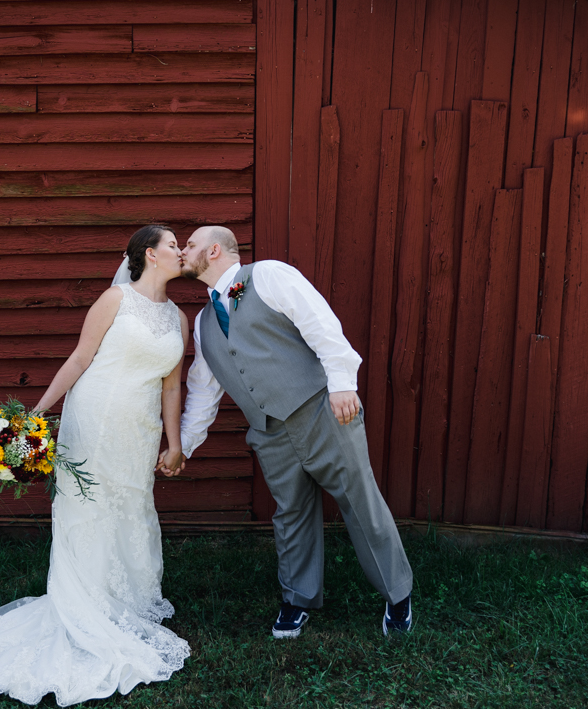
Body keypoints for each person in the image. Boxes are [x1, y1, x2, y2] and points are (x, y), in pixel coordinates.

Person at [0, 224, 191, 706]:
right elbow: (79, 359)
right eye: (174, 244)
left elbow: (172, 386)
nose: (182, 250)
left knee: (130, 508)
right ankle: (84, 605)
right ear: (150, 255)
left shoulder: (179, 318)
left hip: (138, 430)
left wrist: (174, 444)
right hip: (93, 420)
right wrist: (37, 414)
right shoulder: (114, 300)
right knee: (88, 510)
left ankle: (125, 602)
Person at [160, 225, 414, 639]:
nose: (182, 251)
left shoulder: (267, 276)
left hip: (322, 411)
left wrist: (342, 383)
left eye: (189, 244)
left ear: (213, 251)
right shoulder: (206, 322)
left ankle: (397, 594)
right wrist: (182, 446)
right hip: (269, 433)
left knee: (360, 502)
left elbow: (319, 322)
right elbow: (203, 393)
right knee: (291, 515)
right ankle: (298, 599)